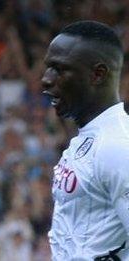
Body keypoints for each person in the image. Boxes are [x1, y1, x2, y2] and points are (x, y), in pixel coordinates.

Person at [42, 20, 129, 260]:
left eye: (59, 69)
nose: (46, 80)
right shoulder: (88, 139)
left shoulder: (118, 147)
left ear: (97, 74)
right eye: (48, 68)